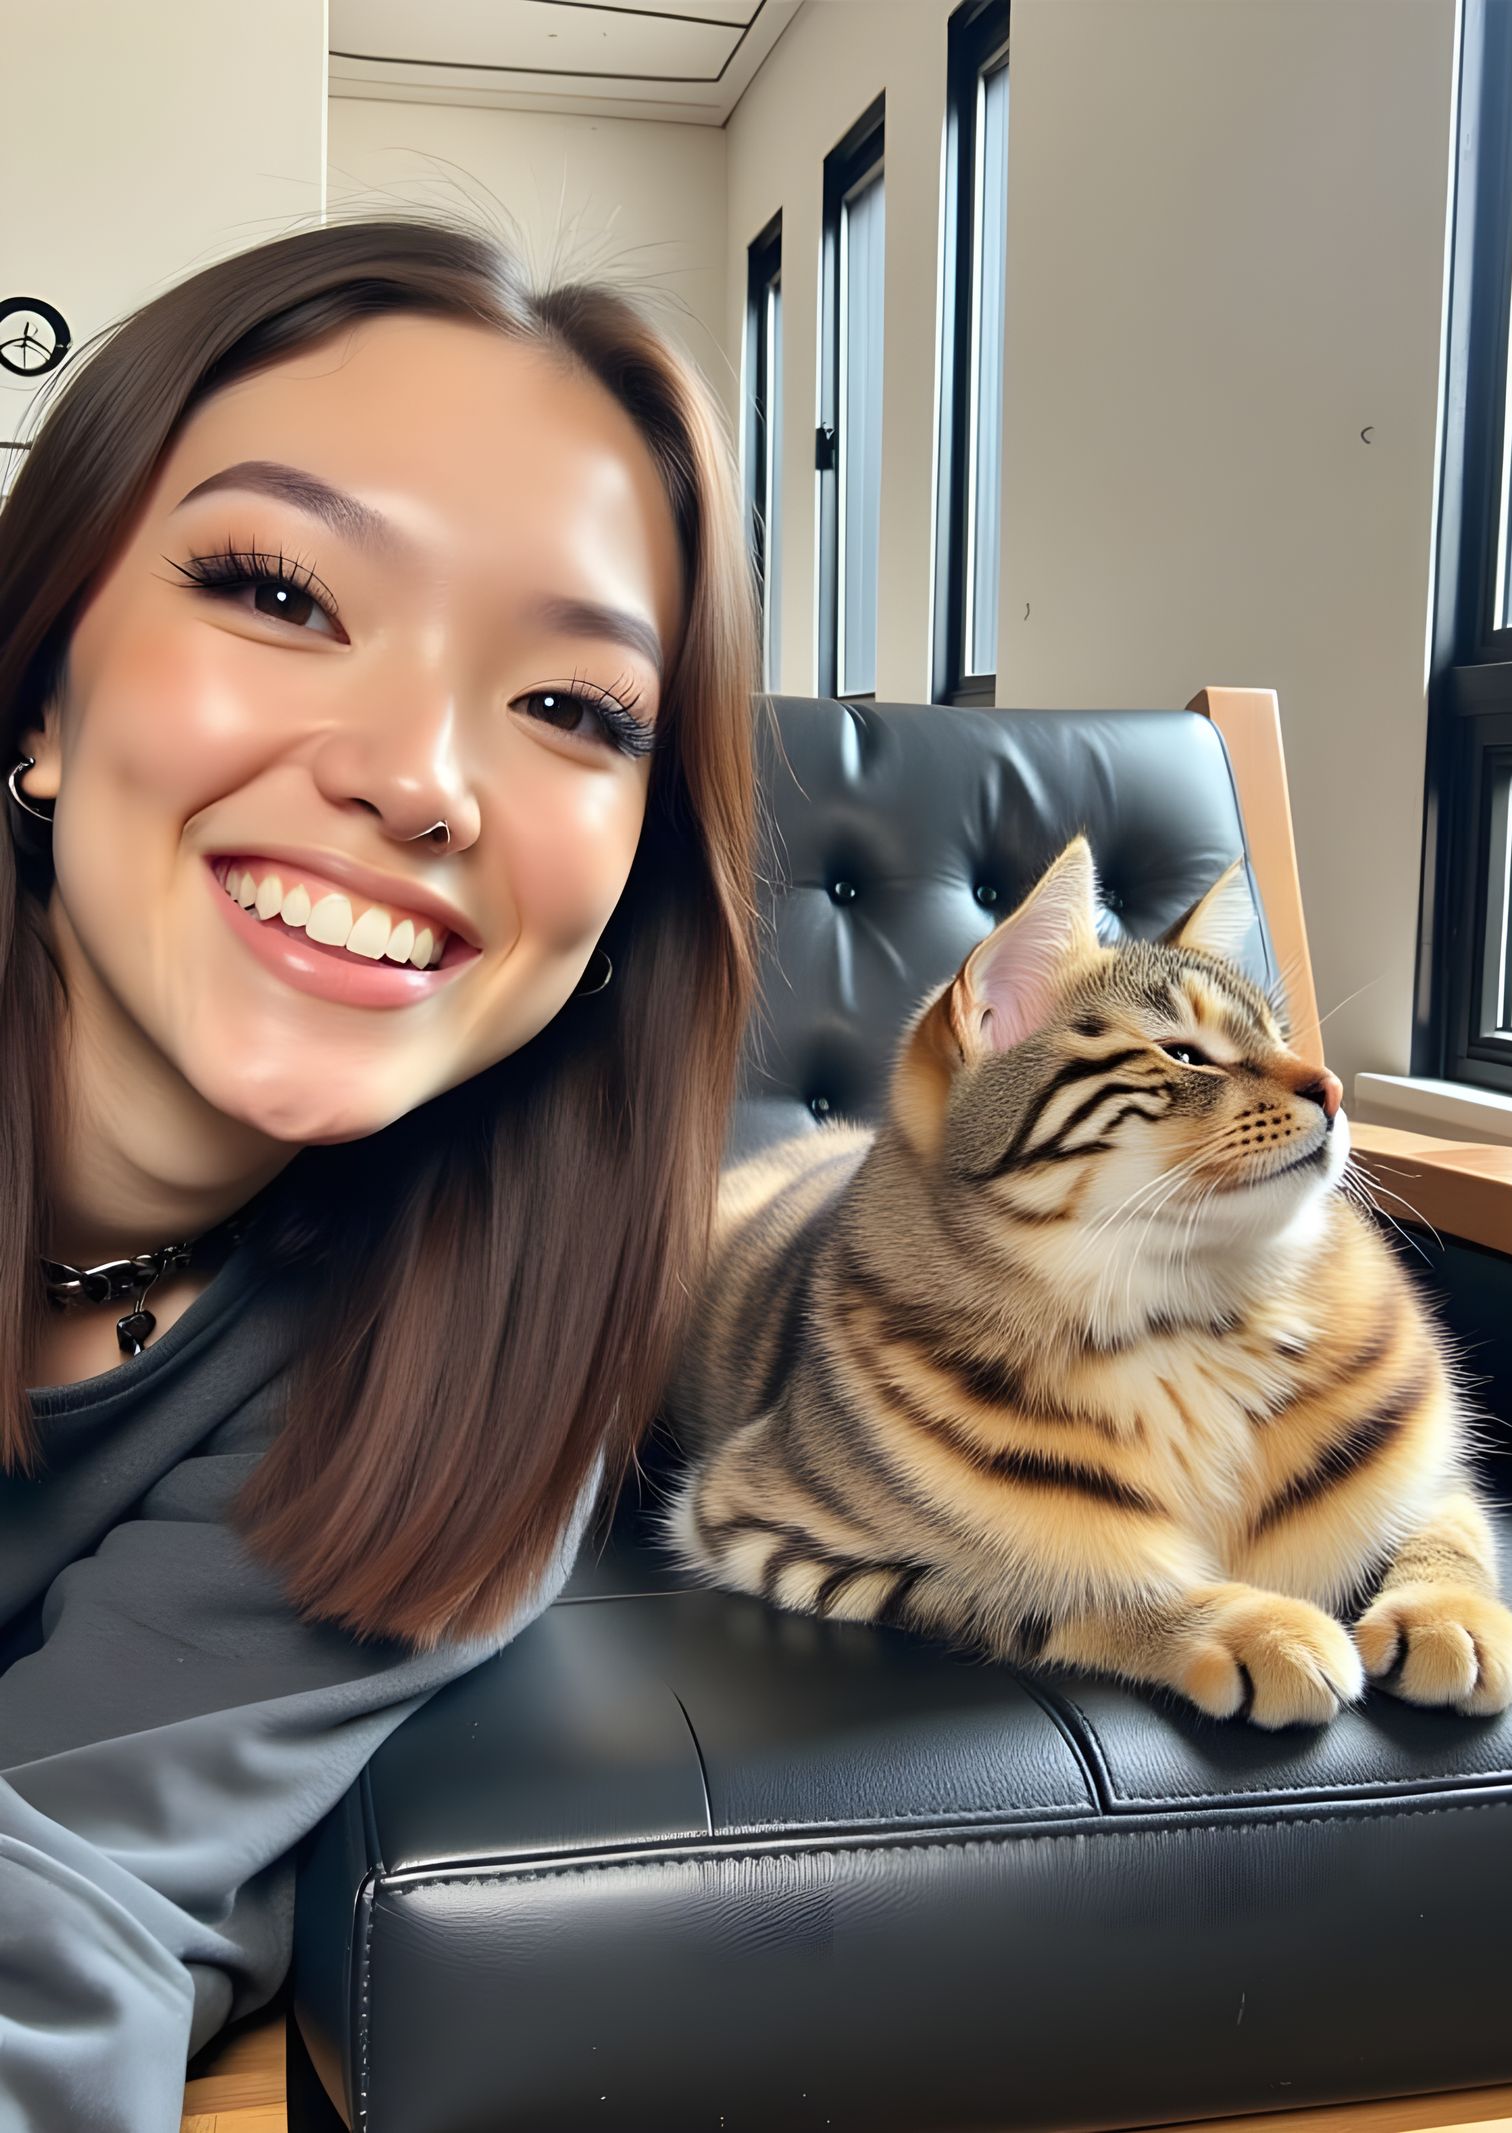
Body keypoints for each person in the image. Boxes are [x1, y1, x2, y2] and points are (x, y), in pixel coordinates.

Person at [0, 211, 758, 2131]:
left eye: (576, 710)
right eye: (278, 589)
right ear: (38, 700)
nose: (425, 776)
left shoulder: (468, 1376)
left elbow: (51, 1902)